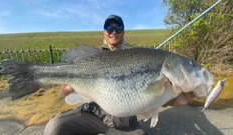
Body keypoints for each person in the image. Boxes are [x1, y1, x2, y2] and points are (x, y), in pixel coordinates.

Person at [43, 14, 195, 135]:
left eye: (118, 28)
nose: (113, 32)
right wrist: (67, 89)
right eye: (109, 28)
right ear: (104, 32)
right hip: (91, 115)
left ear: (123, 31)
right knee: (54, 129)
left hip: (122, 123)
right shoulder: (91, 59)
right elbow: (65, 94)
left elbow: (152, 95)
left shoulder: (136, 57)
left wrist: (168, 98)